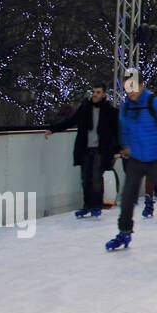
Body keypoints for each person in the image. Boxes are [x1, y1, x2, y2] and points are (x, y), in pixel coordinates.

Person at [104, 80, 157, 251]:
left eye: (134, 88)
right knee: (128, 197)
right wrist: (123, 148)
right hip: (136, 158)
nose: (131, 92)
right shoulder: (126, 107)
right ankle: (124, 232)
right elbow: (124, 130)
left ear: (142, 85)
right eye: (128, 89)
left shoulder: (156, 102)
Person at [46, 81, 120, 219]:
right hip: (85, 148)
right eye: (94, 92)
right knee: (85, 179)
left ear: (104, 94)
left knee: (96, 178)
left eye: (98, 92)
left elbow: (116, 131)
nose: (95, 95)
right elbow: (71, 121)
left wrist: (118, 150)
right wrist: (53, 129)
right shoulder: (85, 108)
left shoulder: (109, 111)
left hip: (101, 149)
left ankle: (96, 206)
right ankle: (87, 205)